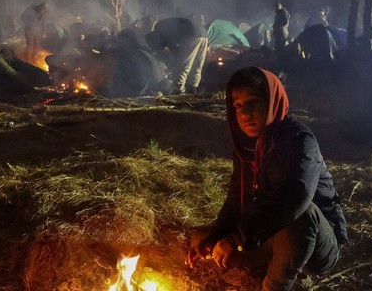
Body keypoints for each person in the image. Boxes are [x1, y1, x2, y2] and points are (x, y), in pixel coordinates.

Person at [185, 67, 348, 291]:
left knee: (302, 213)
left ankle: (276, 284)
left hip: (316, 246)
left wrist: (235, 240)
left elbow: (295, 200)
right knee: (199, 240)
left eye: (253, 102)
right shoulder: (246, 148)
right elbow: (235, 200)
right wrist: (217, 236)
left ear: (272, 101)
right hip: (269, 235)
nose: (245, 113)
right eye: (238, 106)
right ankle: (272, 264)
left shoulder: (299, 140)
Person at [145, 17, 209, 95]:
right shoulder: (161, 26)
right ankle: (192, 90)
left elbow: (173, 46)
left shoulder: (160, 29)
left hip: (190, 35)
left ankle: (178, 91)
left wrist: (175, 60)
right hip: (203, 34)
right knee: (197, 66)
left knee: (183, 66)